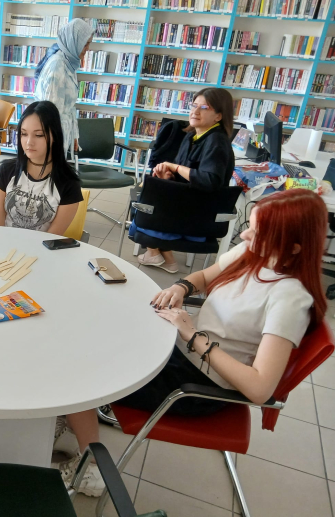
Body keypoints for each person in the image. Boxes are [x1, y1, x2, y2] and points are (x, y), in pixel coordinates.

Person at [54, 189, 327, 497]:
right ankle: (75, 417)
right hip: (181, 351)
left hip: (197, 385)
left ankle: (91, 470)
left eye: (257, 232)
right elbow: (204, 277)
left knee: (81, 374)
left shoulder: (289, 299)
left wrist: (193, 337)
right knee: (93, 335)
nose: (245, 236)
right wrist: (181, 287)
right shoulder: (254, 253)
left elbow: (260, 389)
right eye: (249, 226)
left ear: (294, 246)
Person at [135, 88, 236, 273]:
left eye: (204, 107)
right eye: (194, 105)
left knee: (142, 212)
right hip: (188, 203)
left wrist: (175, 168)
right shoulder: (192, 135)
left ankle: (156, 253)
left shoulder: (217, 141)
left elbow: (209, 181)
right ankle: (164, 258)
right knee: (146, 198)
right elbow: (187, 176)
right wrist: (169, 177)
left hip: (198, 215)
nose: (195, 111)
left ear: (219, 116)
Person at [0, 101, 83, 233]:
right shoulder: (6, 171)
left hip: (41, 246)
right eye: (24, 134)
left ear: (54, 135)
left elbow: (52, 237)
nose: (29, 142)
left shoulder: (68, 183)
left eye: (39, 135)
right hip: (4, 243)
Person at [34, 19, 94, 158]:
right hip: (50, 139)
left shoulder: (69, 62)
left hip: (60, 135)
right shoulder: (57, 66)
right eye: (85, 44)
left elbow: (69, 106)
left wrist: (74, 135)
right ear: (74, 42)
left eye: (89, 43)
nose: (88, 48)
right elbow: (50, 114)